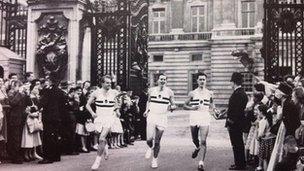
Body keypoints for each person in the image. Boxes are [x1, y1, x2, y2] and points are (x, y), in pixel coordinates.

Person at [86, 75, 120, 170]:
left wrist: (117, 111)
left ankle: (97, 160)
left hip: (109, 118)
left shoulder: (113, 92)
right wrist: (92, 113)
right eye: (107, 82)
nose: (109, 84)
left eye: (110, 83)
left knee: (101, 138)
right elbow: (87, 105)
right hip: (99, 118)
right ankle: (105, 147)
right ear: (102, 83)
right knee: (101, 137)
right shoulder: (96, 93)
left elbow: (116, 103)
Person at [183, 72, 216, 171]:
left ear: (206, 81)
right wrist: (192, 108)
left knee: (204, 141)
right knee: (194, 139)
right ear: (197, 81)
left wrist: (215, 111)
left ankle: (201, 163)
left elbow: (212, 105)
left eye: (203, 79)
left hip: (205, 117)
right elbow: (184, 106)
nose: (202, 81)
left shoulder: (210, 93)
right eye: (200, 79)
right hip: (194, 116)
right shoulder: (192, 93)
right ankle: (197, 148)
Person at [143, 73, 177, 169]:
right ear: (157, 80)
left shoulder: (170, 92)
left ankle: (155, 159)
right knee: (149, 139)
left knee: (157, 141)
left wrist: (172, 107)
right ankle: (150, 147)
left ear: (166, 81)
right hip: (152, 116)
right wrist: (146, 110)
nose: (162, 81)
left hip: (162, 117)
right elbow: (148, 101)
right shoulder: (151, 90)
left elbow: (174, 105)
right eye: (161, 79)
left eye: (164, 80)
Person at [38, 72, 67, 164]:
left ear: (50, 81)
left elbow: (42, 103)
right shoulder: (60, 91)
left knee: (48, 137)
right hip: (57, 117)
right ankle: (56, 155)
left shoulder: (48, 91)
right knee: (55, 136)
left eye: (48, 79)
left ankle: (48, 157)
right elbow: (63, 105)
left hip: (49, 117)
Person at [226, 72, 248, 170]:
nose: (230, 84)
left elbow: (237, 110)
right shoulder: (240, 92)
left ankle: (240, 164)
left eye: (231, 82)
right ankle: (239, 163)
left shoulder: (238, 93)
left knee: (237, 144)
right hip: (237, 123)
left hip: (235, 124)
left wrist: (230, 121)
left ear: (234, 82)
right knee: (237, 143)